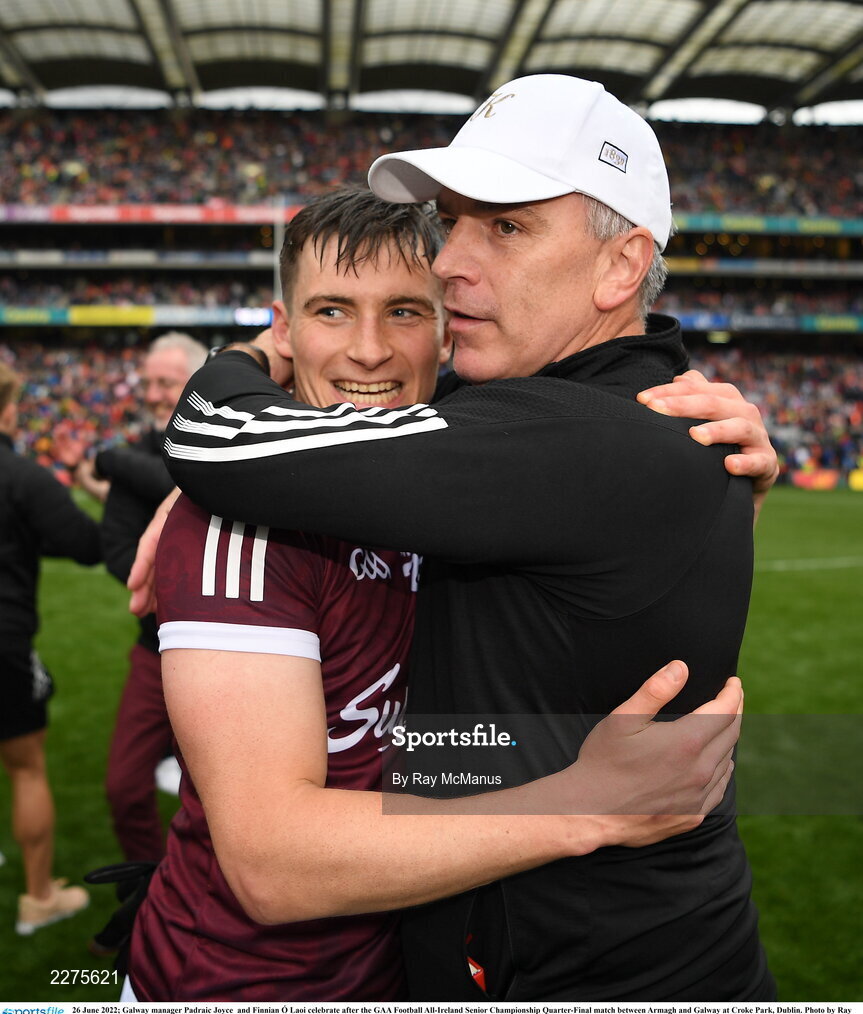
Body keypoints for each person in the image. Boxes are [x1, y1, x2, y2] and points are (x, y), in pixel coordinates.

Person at [157, 77, 781, 1002]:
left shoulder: (575, 439)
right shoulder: (606, 420)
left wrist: (251, 358)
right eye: (451, 223)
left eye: (506, 227)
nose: (449, 261)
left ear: (621, 267)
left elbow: (216, 442)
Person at [80, 332, 209, 866]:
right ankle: (148, 888)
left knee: (228, 796)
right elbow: (117, 553)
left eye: (167, 383)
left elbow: (204, 481)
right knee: (124, 786)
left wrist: (111, 461)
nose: (154, 395)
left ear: (200, 384)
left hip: (235, 656)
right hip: (155, 647)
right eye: (149, 383)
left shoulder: (231, 442)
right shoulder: (134, 454)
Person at [0, 360, 101, 934]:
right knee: (25, 768)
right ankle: (39, 898)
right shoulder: (20, 476)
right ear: (7, 412)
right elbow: (85, 543)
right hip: (5, 644)